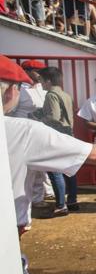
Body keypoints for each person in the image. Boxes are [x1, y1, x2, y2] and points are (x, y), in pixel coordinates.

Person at [1, 55, 96, 274]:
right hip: (5, 243)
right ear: (11, 90)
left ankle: (65, 202)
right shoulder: (22, 128)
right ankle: (64, 202)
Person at [9, 59, 53, 208]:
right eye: (37, 71)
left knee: (43, 166)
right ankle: (35, 198)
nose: (40, 74)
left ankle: (46, 192)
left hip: (42, 130)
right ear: (27, 71)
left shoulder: (43, 88)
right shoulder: (20, 89)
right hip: (24, 132)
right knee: (31, 168)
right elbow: (11, 112)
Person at [36, 66, 80, 216]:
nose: (40, 83)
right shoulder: (66, 94)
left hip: (56, 135)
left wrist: (39, 119)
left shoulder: (50, 95)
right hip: (68, 134)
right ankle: (72, 201)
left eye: (41, 80)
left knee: (55, 170)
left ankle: (61, 205)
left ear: (48, 81)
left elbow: (53, 116)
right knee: (70, 170)